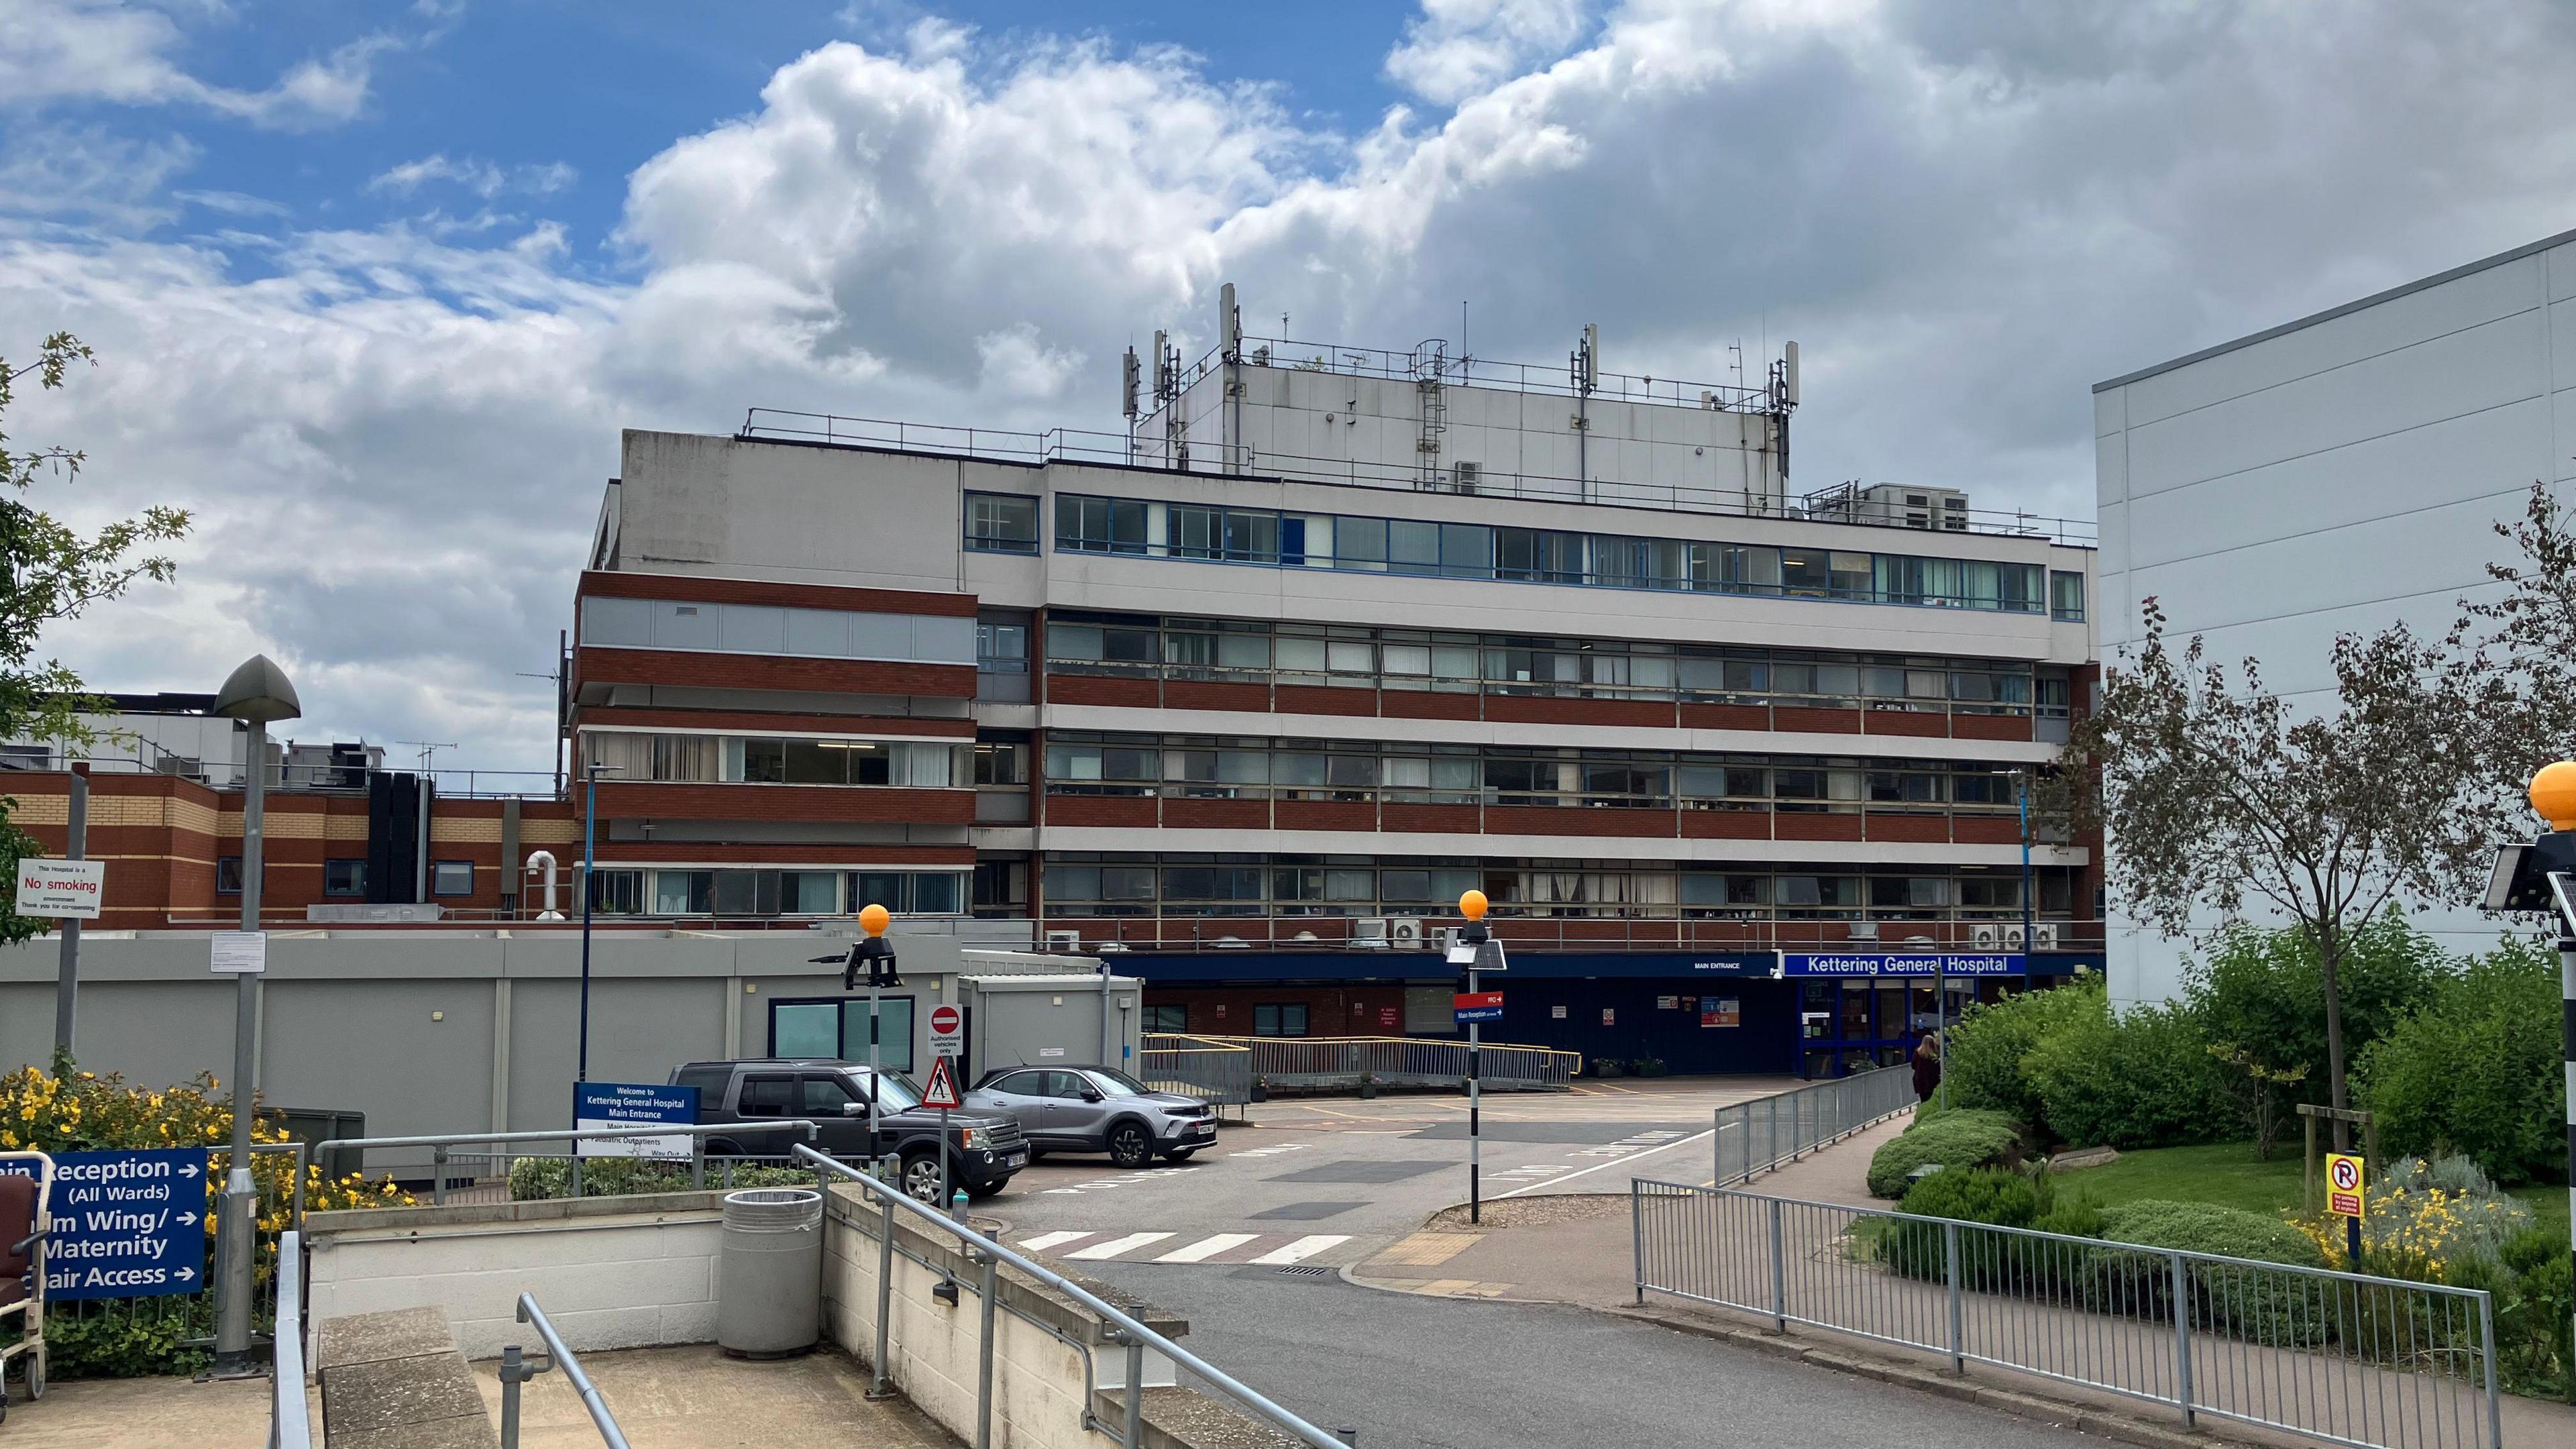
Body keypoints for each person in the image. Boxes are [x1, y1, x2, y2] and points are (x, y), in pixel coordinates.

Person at [1911, 1032, 1941, 1104]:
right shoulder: (1935, 1055)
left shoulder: (1917, 1053)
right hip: (1933, 1081)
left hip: (1920, 1080)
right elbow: (1939, 1067)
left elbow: (1913, 1066)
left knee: (1923, 1100)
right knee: (1932, 1101)